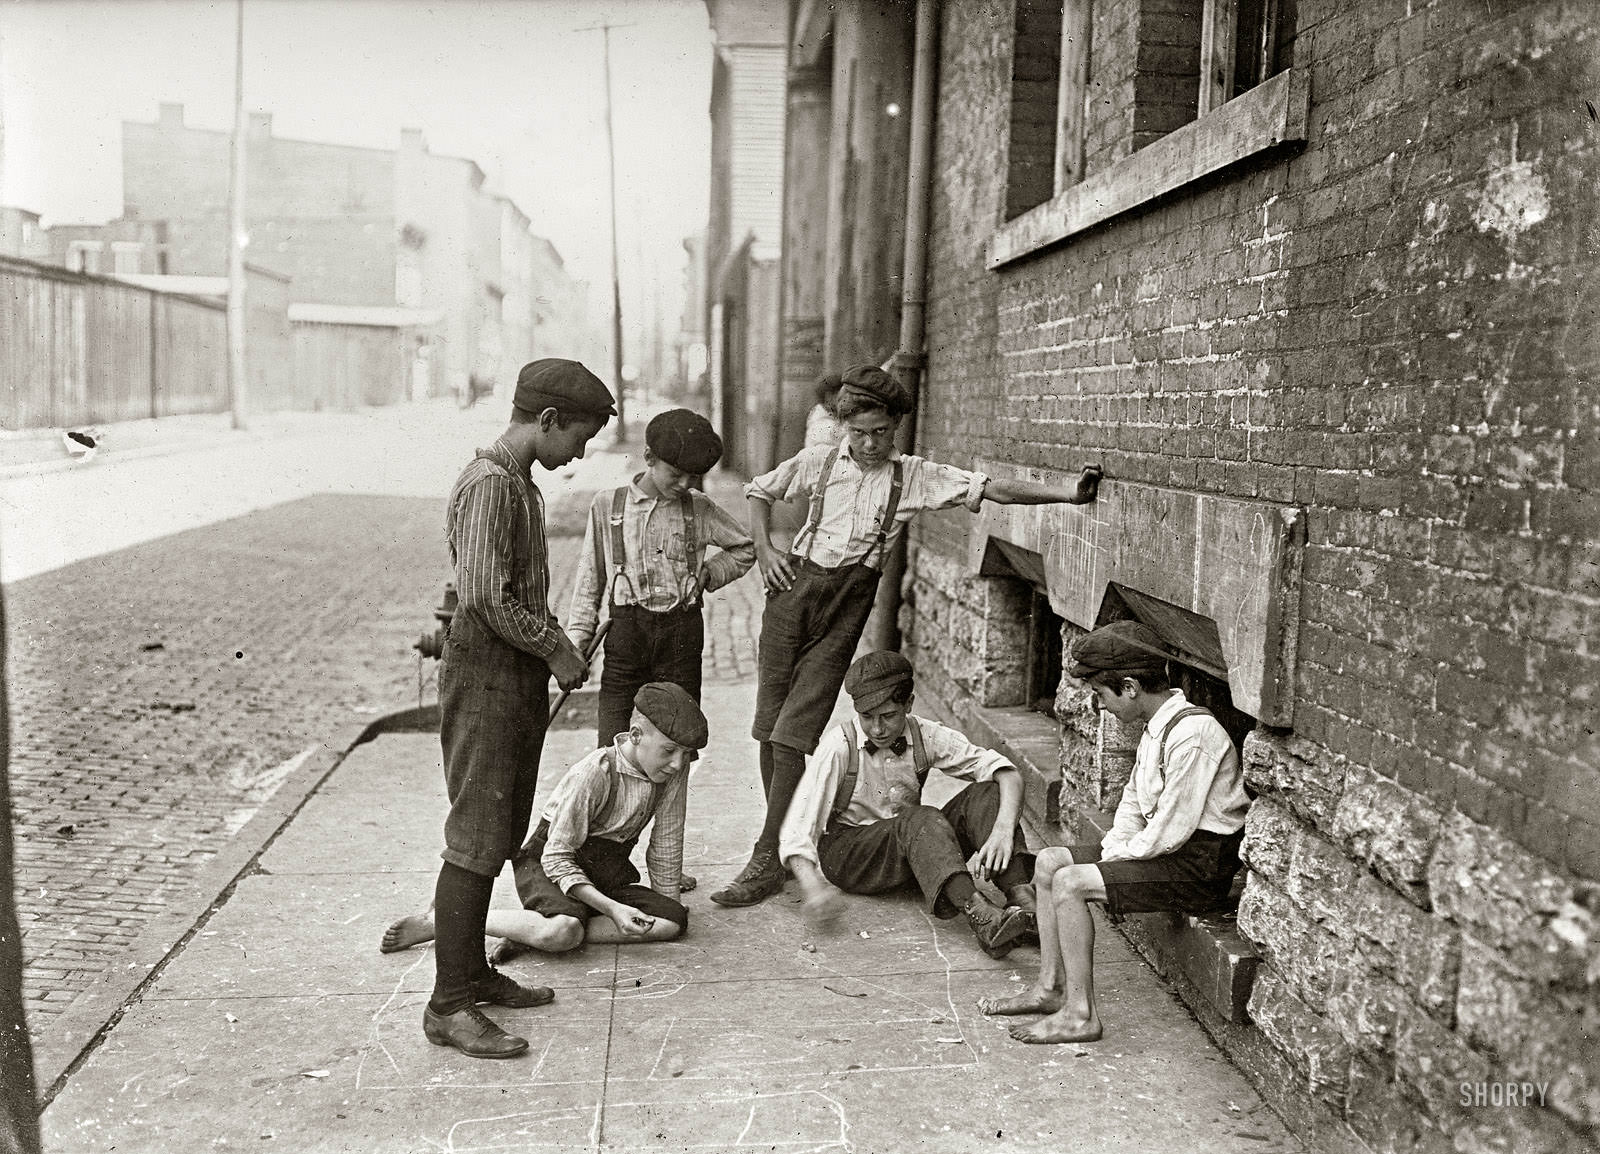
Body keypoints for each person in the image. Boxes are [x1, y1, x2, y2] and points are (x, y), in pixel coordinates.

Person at [710, 362, 1101, 907]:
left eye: (881, 433)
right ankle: (780, 847)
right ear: (843, 427)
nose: (870, 444)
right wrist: (766, 549)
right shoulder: (821, 461)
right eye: (859, 433)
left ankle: (766, 856)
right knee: (768, 728)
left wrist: (1066, 493)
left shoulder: (911, 476)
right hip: (790, 596)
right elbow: (759, 491)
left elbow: (990, 490)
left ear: (896, 428)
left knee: (792, 734)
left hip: (846, 608)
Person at [421, 357, 614, 1060]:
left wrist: (544, 652)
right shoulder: (491, 486)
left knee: (499, 827)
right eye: (580, 438)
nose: (581, 453)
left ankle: (472, 974)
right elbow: (481, 596)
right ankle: (447, 1006)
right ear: (548, 421)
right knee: (474, 838)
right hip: (487, 677)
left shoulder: (519, 485)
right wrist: (556, 645)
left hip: (513, 677)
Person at [977, 619, 1250, 1044]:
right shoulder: (1156, 726)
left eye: (1101, 695)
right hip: (1168, 852)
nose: (1099, 706)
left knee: (1070, 882)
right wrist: (1112, 852)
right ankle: (1050, 989)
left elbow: (1169, 832)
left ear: (1130, 688)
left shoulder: (1195, 734)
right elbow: (1133, 803)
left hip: (1199, 866)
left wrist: (1110, 866)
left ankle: (1081, 1015)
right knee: (1050, 861)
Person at [382, 683, 707, 959]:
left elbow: (666, 842)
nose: (679, 763)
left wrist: (665, 903)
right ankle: (445, 923)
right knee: (564, 931)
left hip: (602, 874)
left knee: (670, 922)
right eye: (669, 751)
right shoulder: (595, 773)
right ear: (636, 735)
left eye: (686, 754)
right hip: (550, 865)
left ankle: (530, 930)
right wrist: (611, 909)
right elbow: (556, 856)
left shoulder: (669, 774)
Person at [781, 651, 1038, 957]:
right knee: (920, 817)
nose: (877, 729)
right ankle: (983, 917)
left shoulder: (926, 734)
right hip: (851, 855)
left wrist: (1002, 831)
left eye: (888, 716)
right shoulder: (839, 746)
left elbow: (1007, 773)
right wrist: (813, 888)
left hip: (909, 848)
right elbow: (798, 827)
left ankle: (1024, 903)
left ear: (909, 704)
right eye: (867, 717)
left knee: (987, 792)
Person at [566, 408, 755, 750]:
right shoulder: (608, 505)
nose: (684, 484)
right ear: (649, 457)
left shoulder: (699, 507)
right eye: (676, 474)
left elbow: (744, 549)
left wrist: (710, 572)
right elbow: (590, 581)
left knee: (677, 743)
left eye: (693, 477)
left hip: (680, 639)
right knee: (614, 744)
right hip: (625, 639)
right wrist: (577, 642)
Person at [803, 375, 843, 448]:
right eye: (841, 396)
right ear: (829, 397)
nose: (845, 400)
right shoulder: (823, 425)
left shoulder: (830, 416)